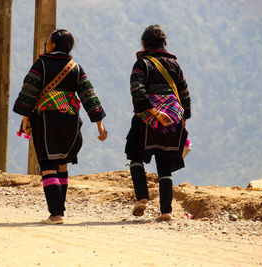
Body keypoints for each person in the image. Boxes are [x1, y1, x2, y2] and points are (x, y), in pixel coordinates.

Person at [13, 29, 107, 224]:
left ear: (53, 45)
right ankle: (60, 211)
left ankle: (56, 214)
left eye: (48, 40)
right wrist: (99, 123)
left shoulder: (41, 65)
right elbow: (89, 95)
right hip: (71, 121)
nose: (46, 43)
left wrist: (25, 120)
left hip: (47, 120)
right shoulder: (76, 68)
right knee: (62, 163)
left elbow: (28, 92)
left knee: (48, 165)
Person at [125, 25, 191, 221]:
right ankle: (166, 212)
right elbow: (185, 95)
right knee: (165, 163)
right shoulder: (175, 66)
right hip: (173, 119)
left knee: (134, 154)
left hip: (147, 118)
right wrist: (183, 123)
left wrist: (154, 112)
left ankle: (142, 198)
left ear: (144, 44)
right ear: (164, 44)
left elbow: (137, 90)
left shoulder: (142, 64)